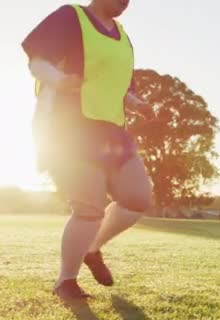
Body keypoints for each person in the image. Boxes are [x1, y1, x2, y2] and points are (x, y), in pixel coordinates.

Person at [22, 0, 154, 300]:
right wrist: (59, 79)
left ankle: (92, 249)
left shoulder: (122, 34)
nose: (125, 2)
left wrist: (137, 103)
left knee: (137, 198)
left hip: (113, 132)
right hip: (72, 127)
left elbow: (120, 85)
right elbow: (37, 61)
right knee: (89, 208)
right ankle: (65, 281)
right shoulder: (71, 16)